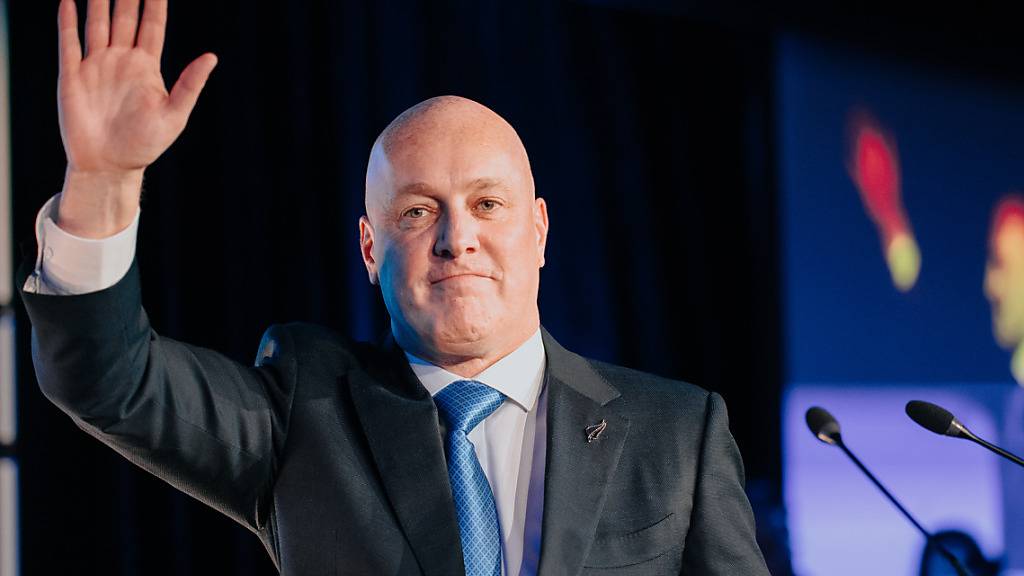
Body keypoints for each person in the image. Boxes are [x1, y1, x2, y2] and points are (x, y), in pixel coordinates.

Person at [20, 0, 770, 574]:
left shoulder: (678, 431)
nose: (457, 237)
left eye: (487, 203)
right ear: (370, 249)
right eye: (417, 212)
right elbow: (109, 380)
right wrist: (102, 183)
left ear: (539, 231)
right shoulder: (303, 412)